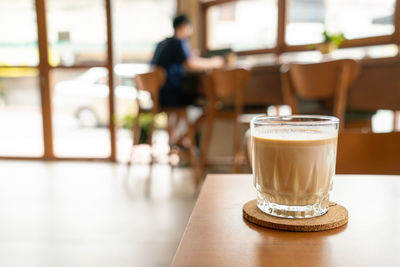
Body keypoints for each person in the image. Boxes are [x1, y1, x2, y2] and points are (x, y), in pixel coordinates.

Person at [151, 14, 224, 107]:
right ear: (184, 25)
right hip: (170, 95)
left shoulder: (161, 43)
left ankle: (178, 121)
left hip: (156, 95)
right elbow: (190, 63)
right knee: (207, 101)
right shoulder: (178, 42)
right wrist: (212, 63)